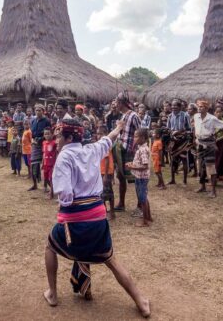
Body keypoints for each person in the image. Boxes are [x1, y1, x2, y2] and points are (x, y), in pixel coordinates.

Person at [43, 119, 150, 317]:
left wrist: (67, 206)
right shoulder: (91, 150)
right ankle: (141, 301)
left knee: (50, 245)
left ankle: (53, 293)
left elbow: (65, 195)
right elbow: (108, 139)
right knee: (111, 260)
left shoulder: (64, 157)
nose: (56, 139)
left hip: (75, 222)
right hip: (98, 219)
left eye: (59, 136)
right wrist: (118, 127)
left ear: (68, 137)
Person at [193, 100, 223, 198]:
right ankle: (202, 186)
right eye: (199, 106)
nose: (199, 108)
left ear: (207, 108)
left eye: (202, 107)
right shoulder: (196, 116)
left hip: (209, 144)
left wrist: (214, 134)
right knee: (201, 166)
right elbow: (196, 128)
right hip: (199, 143)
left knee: (210, 167)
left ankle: (213, 190)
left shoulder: (212, 118)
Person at [115, 92, 140, 212]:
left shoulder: (134, 115)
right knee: (120, 176)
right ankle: (121, 203)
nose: (115, 105)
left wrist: (137, 149)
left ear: (121, 103)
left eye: (117, 102)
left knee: (136, 177)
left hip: (131, 150)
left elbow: (141, 132)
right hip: (121, 149)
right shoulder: (123, 116)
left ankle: (140, 205)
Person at [126, 128, 152, 227]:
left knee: (142, 199)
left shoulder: (143, 150)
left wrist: (132, 166)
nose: (134, 138)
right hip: (140, 177)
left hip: (141, 178)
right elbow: (140, 163)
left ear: (143, 138)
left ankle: (145, 221)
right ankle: (148, 217)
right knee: (144, 198)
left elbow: (145, 166)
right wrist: (132, 163)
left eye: (136, 136)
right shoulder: (141, 148)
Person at [167, 99, 192, 185]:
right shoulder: (170, 116)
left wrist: (179, 132)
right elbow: (168, 128)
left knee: (184, 159)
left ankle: (184, 180)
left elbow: (189, 129)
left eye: (175, 106)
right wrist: (172, 132)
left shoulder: (185, 115)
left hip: (183, 141)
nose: (173, 107)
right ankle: (172, 179)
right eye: (172, 105)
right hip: (173, 140)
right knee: (173, 159)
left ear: (180, 107)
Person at [30, 105, 52, 191]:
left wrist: (40, 139)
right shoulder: (33, 121)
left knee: (45, 166)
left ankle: (46, 186)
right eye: (36, 110)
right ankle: (35, 184)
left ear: (43, 111)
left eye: (39, 110)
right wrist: (32, 140)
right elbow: (32, 133)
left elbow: (49, 133)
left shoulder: (46, 121)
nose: (37, 112)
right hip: (35, 145)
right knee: (33, 164)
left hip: (44, 144)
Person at [96, 125, 116, 220]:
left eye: (100, 133)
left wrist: (106, 175)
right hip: (101, 171)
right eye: (97, 133)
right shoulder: (99, 144)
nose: (98, 135)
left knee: (108, 192)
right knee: (102, 193)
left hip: (106, 172)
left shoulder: (106, 145)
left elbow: (107, 160)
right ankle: (104, 210)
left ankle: (112, 212)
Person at [42, 127, 57, 198]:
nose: (47, 135)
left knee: (51, 178)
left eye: (48, 134)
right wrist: (42, 163)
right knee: (46, 178)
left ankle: (51, 194)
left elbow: (57, 153)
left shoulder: (54, 143)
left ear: (52, 134)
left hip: (52, 164)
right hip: (45, 164)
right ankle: (52, 189)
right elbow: (44, 153)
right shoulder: (44, 143)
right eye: (45, 134)